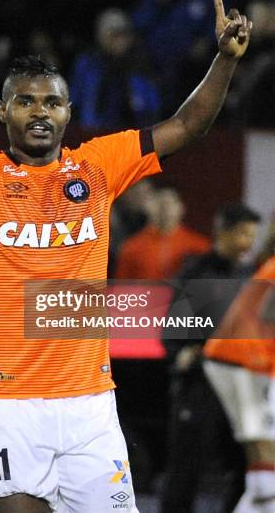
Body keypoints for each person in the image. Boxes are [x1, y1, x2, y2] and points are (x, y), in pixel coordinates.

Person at [0, 0, 251, 513]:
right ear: (3, 113)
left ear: (69, 114)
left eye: (52, 102)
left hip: (90, 408)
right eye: (25, 101)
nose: (40, 111)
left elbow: (188, 124)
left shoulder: (98, 165)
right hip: (8, 404)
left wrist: (226, 61)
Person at [161, 203, 261, 513]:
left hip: (241, 387)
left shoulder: (251, 275)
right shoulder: (196, 272)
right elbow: (173, 329)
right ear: (225, 232)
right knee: (184, 469)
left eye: (252, 236)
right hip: (199, 386)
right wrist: (185, 353)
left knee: (241, 467)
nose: (248, 243)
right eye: (243, 234)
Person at [204, 256, 275, 513]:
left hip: (242, 361)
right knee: (265, 446)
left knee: (262, 450)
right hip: (242, 361)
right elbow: (269, 314)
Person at [115, 186, 210, 281]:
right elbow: (121, 289)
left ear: (181, 207)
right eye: (160, 203)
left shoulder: (199, 246)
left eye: (171, 203)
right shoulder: (131, 248)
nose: (165, 209)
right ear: (148, 207)